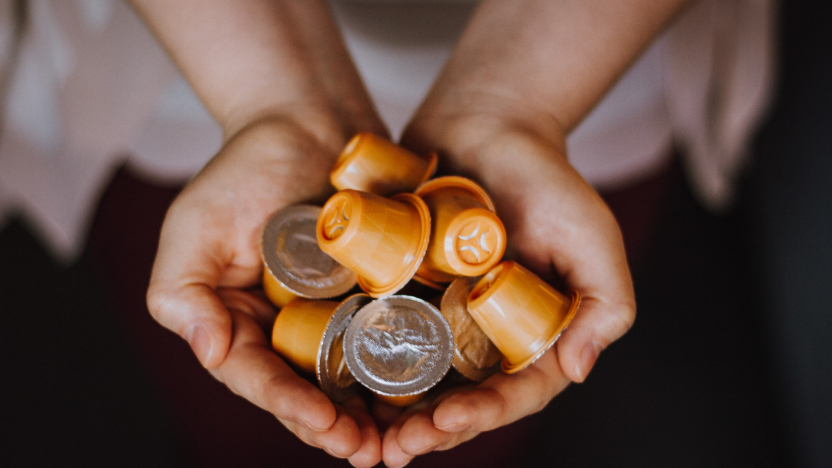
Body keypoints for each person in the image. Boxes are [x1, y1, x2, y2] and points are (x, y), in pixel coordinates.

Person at [128, 1, 707, 467]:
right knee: (225, 424)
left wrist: (520, 102)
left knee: (480, 439)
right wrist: (271, 101)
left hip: (589, 54)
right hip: (206, 46)